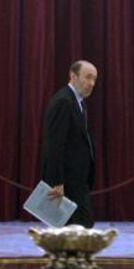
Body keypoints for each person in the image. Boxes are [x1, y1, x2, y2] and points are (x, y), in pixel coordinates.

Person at [41, 60, 98, 228]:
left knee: (77, 230)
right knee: (79, 229)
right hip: (66, 184)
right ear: (73, 76)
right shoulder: (64, 101)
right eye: (88, 77)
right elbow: (54, 145)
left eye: (94, 79)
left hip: (78, 181)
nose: (92, 83)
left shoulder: (78, 102)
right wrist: (57, 182)